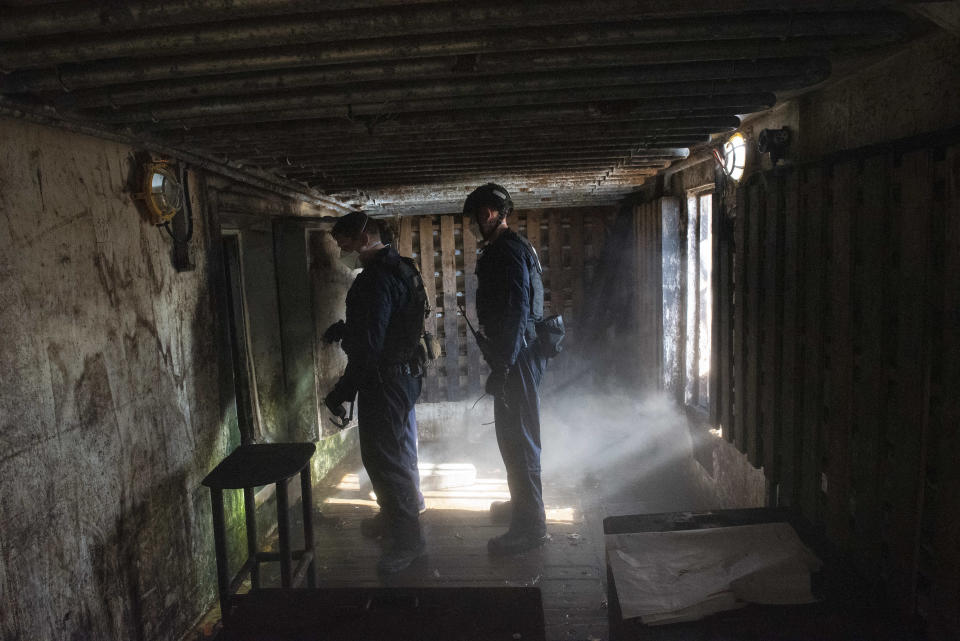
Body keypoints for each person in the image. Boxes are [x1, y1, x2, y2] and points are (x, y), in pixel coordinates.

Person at [322, 212, 426, 574]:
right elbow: (390, 321)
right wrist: (347, 328)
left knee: (385, 459)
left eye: (344, 244)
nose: (341, 253)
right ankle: (391, 518)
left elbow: (369, 347)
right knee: (389, 453)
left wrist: (342, 392)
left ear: (364, 237)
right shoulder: (403, 268)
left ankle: (409, 541)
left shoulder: (373, 281)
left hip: (384, 380)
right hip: (405, 375)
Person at [463, 183, 549, 555]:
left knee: (519, 443)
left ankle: (531, 528)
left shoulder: (508, 252)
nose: (472, 226)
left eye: (473, 218)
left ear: (488, 214)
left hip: (517, 359)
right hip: (516, 357)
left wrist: (504, 366)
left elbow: (516, 312)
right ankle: (523, 508)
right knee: (512, 440)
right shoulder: (508, 248)